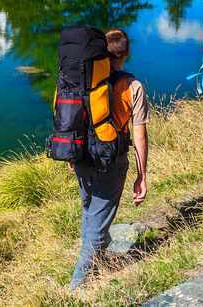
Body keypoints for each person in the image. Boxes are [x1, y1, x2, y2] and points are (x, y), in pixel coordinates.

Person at [68, 27, 150, 291]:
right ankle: (74, 289)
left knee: (90, 212)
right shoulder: (133, 86)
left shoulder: (85, 77)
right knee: (96, 225)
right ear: (127, 52)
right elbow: (140, 138)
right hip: (111, 163)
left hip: (81, 158)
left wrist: (72, 152)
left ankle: (97, 265)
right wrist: (142, 176)